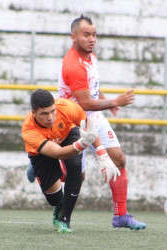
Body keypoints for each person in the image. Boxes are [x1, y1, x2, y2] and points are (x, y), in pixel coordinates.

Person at [57, 14, 146, 230]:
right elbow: (85, 102)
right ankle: (42, 163)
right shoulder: (73, 65)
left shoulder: (90, 57)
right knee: (76, 176)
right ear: (74, 37)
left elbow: (92, 88)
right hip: (73, 121)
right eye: (86, 35)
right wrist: (116, 101)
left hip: (93, 117)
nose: (92, 39)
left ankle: (121, 216)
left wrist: (107, 101)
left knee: (119, 160)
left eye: (94, 34)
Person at [21, 89, 119, 233]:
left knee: (75, 165)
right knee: (54, 200)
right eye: (44, 114)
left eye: (52, 111)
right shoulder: (29, 130)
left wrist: (102, 155)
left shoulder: (68, 107)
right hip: (43, 151)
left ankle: (64, 219)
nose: (50, 117)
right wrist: (82, 144)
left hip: (67, 134)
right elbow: (59, 153)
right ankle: (35, 169)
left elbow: (90, 129)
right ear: (33, 112)